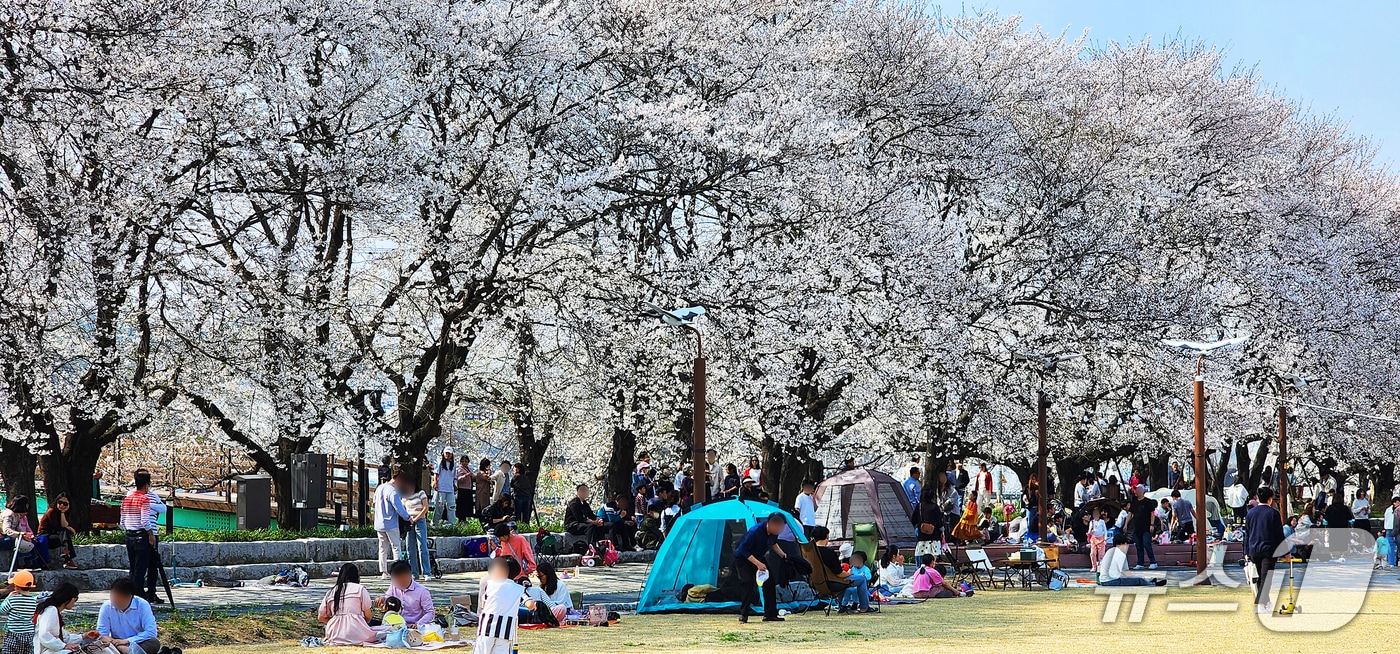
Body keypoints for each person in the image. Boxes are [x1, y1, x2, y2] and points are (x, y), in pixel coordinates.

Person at [733, 513, 788, 623]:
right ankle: (743, 615)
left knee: (770, 583)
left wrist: (782, 554)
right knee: (747, 583)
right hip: (744, 559)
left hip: (758, 557)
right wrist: (758, 564)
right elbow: (743, 550)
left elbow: (772, 543)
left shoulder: (773, 532)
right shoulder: (755, 532)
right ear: (769, 523)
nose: (778, 528)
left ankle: (770, 614)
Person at [119, 472, 165, 601]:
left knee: (134, 568)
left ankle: (131, 594)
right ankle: (138, 596)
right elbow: (145, 521)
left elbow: (122, 521)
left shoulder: (127, 499)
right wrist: (150, 534)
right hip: (142, 536)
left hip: (129, 535)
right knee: (141, 568)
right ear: (146, 485)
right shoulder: (144, 499)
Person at [476, 556, 534, 654]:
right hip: (505, 630)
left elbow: (483, 604)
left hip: (487, 627)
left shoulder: (490, 584)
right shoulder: (519, 589)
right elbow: (529, 604)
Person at [34, 583, 108, 654]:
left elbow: (64, 637)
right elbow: (44, 635)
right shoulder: (51, 610)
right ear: (71, 599)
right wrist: (64, 646)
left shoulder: (54, 611)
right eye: (75, 599)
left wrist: (84, 636)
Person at [1245, 487, 1286, 612]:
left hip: (1254, 549)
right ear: (1270, 499)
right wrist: (1285, 552)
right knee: (1266, 577)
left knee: (1261, 577)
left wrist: (1246, 552)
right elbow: (1279, 534)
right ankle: (1261, 603)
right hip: (1269, 550)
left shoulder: (1251, 513)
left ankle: (1266, 602)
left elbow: (1247, 533)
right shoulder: (1273, 513)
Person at [96, 577, 160, 654]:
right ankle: (127, 651)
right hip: (114, 643)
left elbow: (151, 632)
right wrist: (118, 644)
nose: (114, 600)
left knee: (153, 643)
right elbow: (102, 633)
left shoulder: (142, 605)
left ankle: (129, 651)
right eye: (112, 596)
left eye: (118, 598)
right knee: (89, 640)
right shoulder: (106, 606)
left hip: (136, 642)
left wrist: (126, 641)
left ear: (129, 597)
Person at [318, 563, 376, 645]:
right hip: (356, 630)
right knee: (385, 630)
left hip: (334, 634)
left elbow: (321, 617)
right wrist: (360, 623)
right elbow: (368, 616)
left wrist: (338, 624)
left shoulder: (331, 592)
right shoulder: (360, 589)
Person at [373, 469, 412, 577]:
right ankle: (398, 570)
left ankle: (384, 571)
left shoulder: (379, 488)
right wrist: (408, 517)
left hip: (379, 523)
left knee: (382, 548)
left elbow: (374, 502)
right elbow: (399, 508)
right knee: (396, 547)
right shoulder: (392, 491)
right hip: (391, 523)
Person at [380, 560, 435, 626]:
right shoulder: (393, 586)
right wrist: (383, 600)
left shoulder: (422, 591)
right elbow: (388, 598)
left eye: (401, 581)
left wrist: (418, 624)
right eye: (395, 580)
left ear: (409, 576)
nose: (398, 584)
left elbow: (430, 612)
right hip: (396, 625)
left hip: (415, 626)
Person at [1099, 532, 1167, 586]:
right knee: (1138, 580)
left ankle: (1147, 582)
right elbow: (1126, 573)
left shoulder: (1109, 551)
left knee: (1137, 579)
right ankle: (1152, 584)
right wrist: (1137, 577)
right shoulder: (1121, 554)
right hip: (1112, 581)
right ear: (1123, 544)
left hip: (1103, 580)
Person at [1, 496, 49, 570]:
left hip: (11, 537)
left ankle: (33, 564)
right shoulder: (9, 514)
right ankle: (24, 564)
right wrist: (21, 535)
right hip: (3, 539)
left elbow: (20, 528)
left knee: (30, 542)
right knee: (23, 544)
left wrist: (28, 536)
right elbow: (6, 530)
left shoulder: (17, 515)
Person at [399, 476, 432, 581]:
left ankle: (427, 572)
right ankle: (414, 572)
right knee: (410, 548)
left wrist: (416, 518)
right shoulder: (404, 496)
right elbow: (403, 509)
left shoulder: (421, 493)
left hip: (420, 520)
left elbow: (425, 508)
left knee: (422, 546)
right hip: (409, 522)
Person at [37, 494, 80, 570]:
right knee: (64, 531)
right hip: (45, 537)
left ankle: (67, 555)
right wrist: (69, 527)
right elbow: (58, 527)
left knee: (64, 531)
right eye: (60, 502)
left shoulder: (65, 513)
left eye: (65, 504)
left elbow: (63, 525)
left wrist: (63, 513)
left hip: (56, 536)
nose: (62, 505)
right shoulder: (51, 511)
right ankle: (68, 558)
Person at [0, 570, 38, 654]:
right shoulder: (33, 601)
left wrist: (8, 598)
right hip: (29, 633)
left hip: (13, 633)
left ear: (16, 587)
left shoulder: (13, 600)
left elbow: (2, 609)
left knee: (10, 651)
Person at [1128, 485, 1158, 569]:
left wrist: (1152, 524)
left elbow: (1152, 514)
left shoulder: (1148, 502)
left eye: (1137, 490)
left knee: (1146, 544)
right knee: (1138, 545)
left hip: (1146, 527)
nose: (1136, 492)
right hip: (1137, 527)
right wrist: (1126, 524)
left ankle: (1153, 562)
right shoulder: (1134, 502)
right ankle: (1140, 563)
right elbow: (1130, 514)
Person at [915, 484, 944, 558]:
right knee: (933, 559)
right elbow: (939, 521)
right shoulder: (935, 507)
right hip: (934, 536)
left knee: (922, 558)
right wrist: (942, 531)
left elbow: (913, 520)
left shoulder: (919, 506)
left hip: (922, 536)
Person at [431, 448, 458, 527]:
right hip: (441, 488)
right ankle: (435, 523)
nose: (447, 455)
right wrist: (435, 483)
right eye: (446, 453)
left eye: (449, 453)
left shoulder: (453, 465)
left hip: (450, 489)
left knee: (451, 506)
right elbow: (436, 474)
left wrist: (454, 485)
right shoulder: (440, 463)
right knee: (439, 506)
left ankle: (452, 523)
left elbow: (454, 477)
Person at [454, 456, 476, 524]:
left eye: (466, 461)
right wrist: (465, 475)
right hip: (462, 489)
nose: (464, 463)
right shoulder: (460, 469)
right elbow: (459, 479)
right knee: (462, 505)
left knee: (467, 505)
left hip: (468, 489)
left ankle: (465, 519)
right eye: (463, 461)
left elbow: (473, 477)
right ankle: (461, 519)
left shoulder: (468, 469)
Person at [1088, 507, 1108, 572]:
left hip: (1101, 539)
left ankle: (1100, 566)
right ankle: (1094, 566)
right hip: (1094, 539)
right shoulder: (1092, 522)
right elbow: (1089, 531)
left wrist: (1105, 539)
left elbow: (1105, 530)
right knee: (1092, 553)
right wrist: (1090, 531)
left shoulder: (1102, 522)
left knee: (1101, 554)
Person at [1385, 497, 1400, 568]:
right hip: (1396, 530)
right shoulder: (1398, 510)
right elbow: (1397, 523)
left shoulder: (1388, 509)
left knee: (1390, 548)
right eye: (1398, 502)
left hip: (1388, 529)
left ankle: (1391, 563)